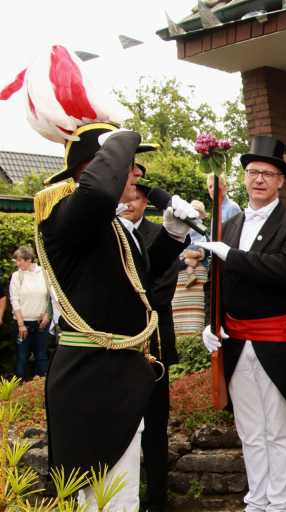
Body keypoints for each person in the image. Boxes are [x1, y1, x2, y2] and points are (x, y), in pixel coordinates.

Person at [35, 123, 195, 511]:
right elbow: (96, 192)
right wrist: (124, 134)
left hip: (118, 374)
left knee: (121, 497)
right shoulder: (64, 216)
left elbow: (137, 283)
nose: (137, 173)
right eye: (130, 163)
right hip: (91, 377)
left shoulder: (113, 227)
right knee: (103, 500)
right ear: (96, 167)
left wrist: (172, 236)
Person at [199, 136, 286, 512]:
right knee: (249, 429)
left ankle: (281, 503)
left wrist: (232, 256)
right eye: (253, 172)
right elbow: (215, 281)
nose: (259, 179)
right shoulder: (228, 224)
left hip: (274, 340)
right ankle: (257, 499)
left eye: (268, 173)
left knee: (278, 428)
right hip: (234, 339)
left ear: (281, 180)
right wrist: (210, 322)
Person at [120, 175, 182, 512]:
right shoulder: (110, 232)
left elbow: (161, 291)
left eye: (135, 197)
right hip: (117, 347)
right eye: (124, 196)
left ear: (146, 201)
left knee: (155, 426)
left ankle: (157, 499)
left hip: (153, 345)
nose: (128, 203)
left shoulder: (161, 234)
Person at [9, 245, 50, 379]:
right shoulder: (16, 276)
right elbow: (14, 300)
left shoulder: (44, 273)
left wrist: (47, 314)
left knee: (42, 356)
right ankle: (19, 387)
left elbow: (51, 297)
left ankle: (42, 386)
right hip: (22, 324)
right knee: (22, 358)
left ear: (29, 259)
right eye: (16, 260)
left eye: (19, 260)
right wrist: (21, 324)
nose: (17, 263)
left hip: (41, 324)